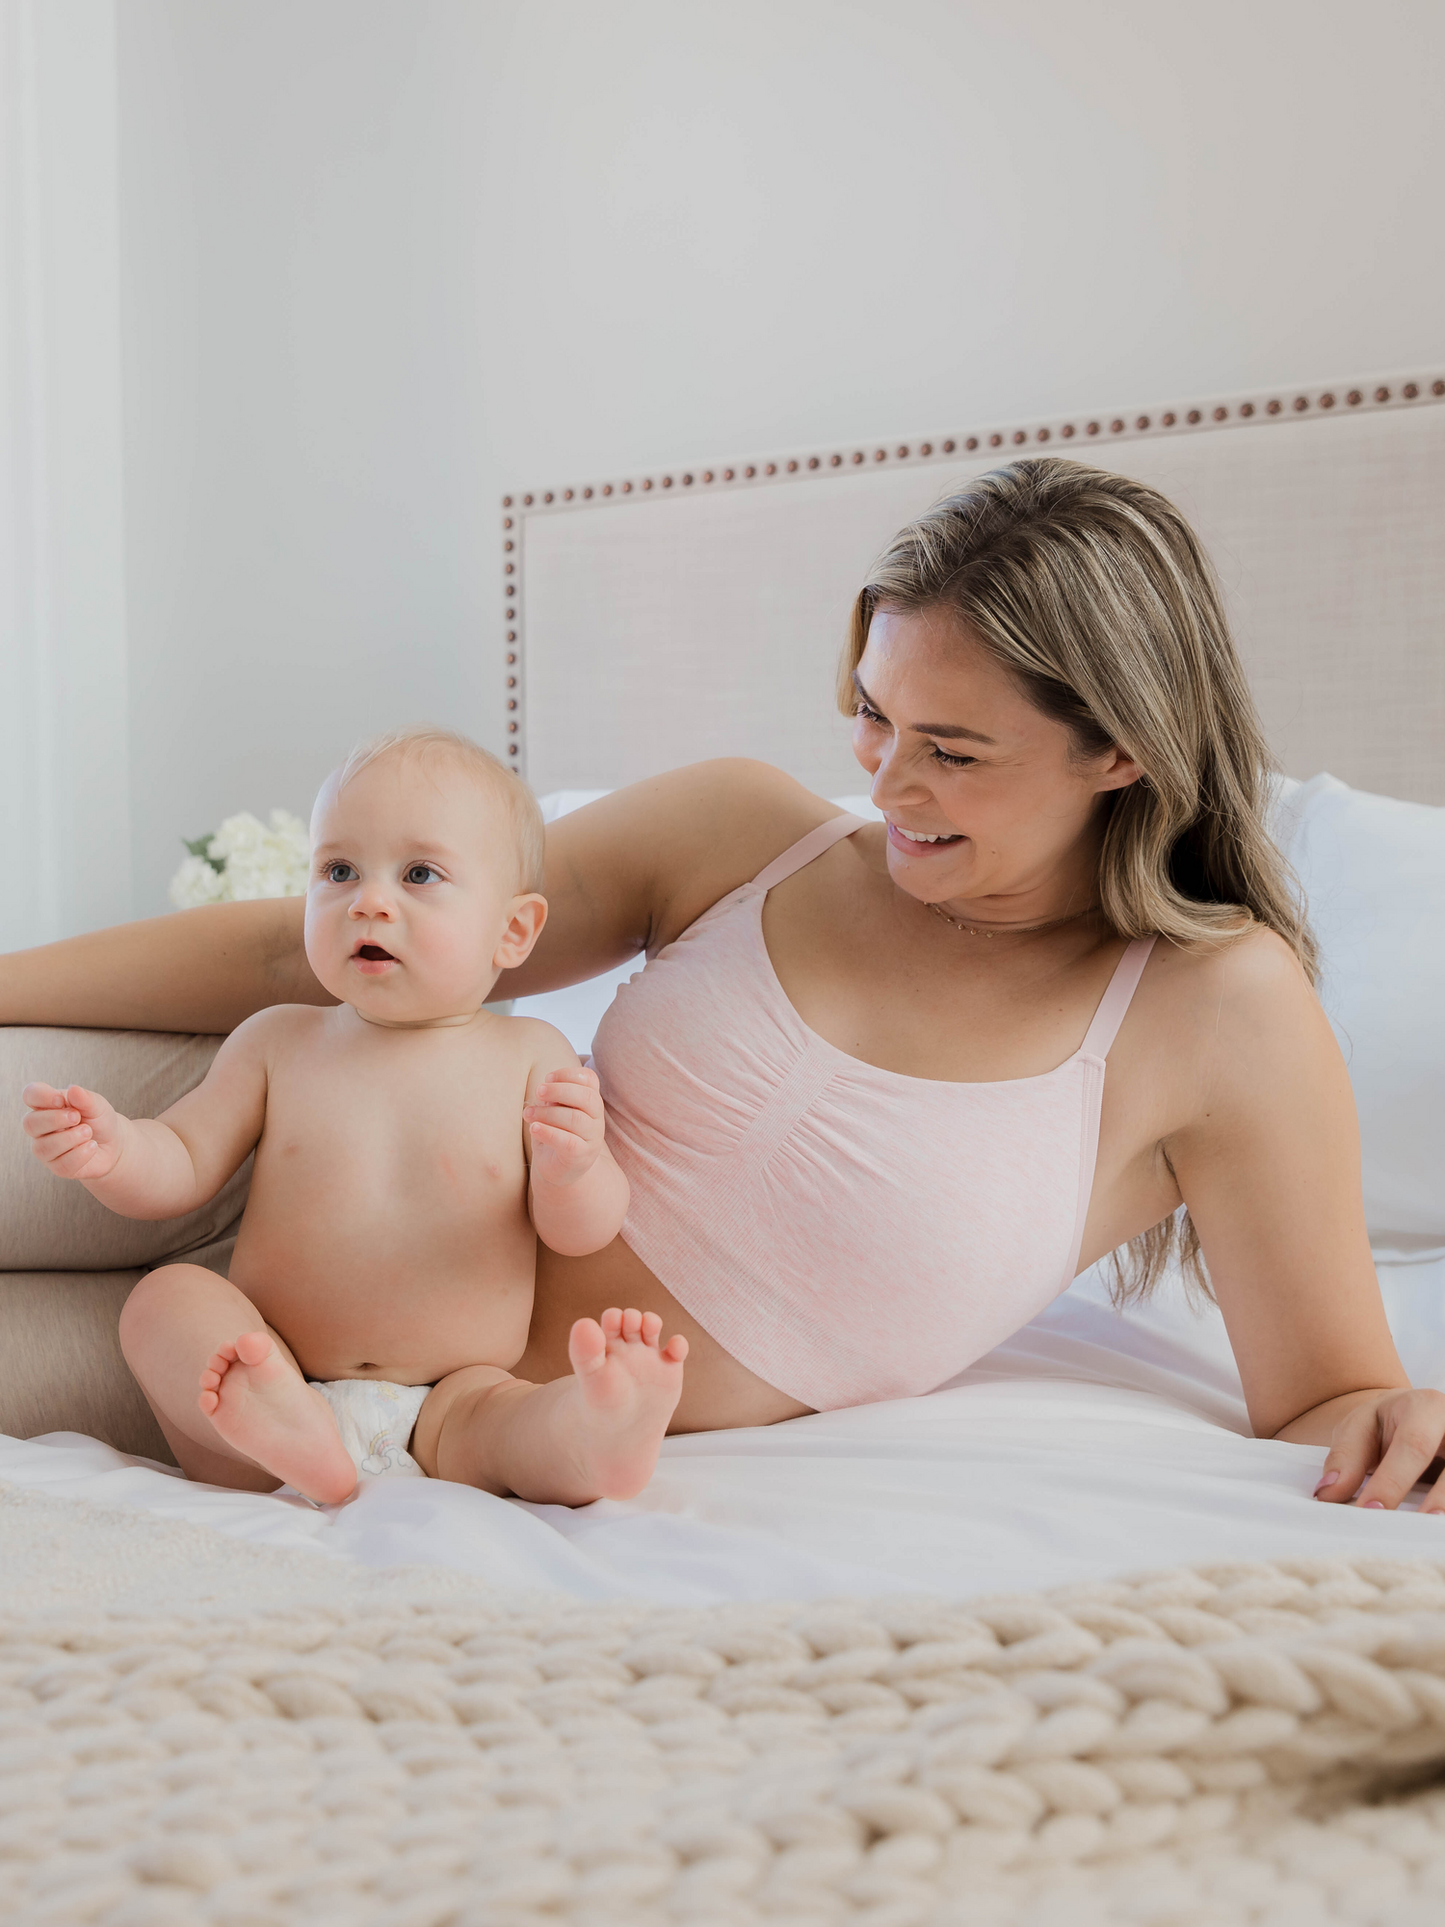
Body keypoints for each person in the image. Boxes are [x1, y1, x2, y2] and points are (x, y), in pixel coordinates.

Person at [6, 457, 1442, 1510]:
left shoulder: (1217, 1011)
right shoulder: (746, 831)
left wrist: (1403, 1423)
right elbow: (301, 952)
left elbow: (1328, 1388)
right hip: (259, 1140)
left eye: (954, 749)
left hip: (446, 1398)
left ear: (1117, 749)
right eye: (873, 719)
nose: (888, 781)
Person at [19, 729, 686, 1505]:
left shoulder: (532, 1055)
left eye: (419, 874)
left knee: (512, 1423)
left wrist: (576, 1166)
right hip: (272, 1368)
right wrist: (116, 1149)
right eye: (338, 869)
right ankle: (284, 1427)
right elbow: (182, 1160)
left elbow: (579, 1230)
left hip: (451, 1399)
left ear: (512, 930)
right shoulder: (277, 1039)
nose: (368, 899)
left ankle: (596, 1433)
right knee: (163, 1301)